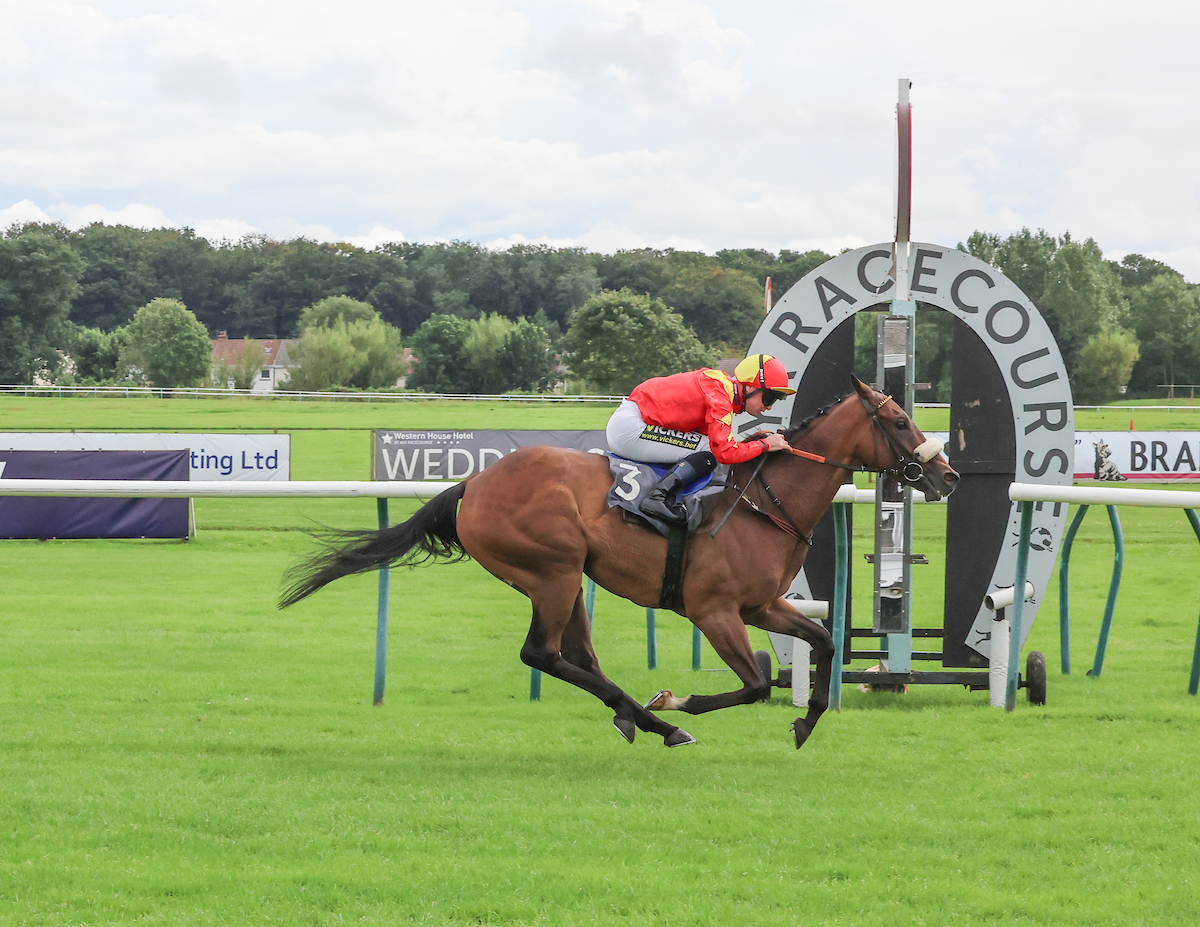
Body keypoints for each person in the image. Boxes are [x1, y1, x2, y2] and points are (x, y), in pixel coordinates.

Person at [606, 354, 797, 525]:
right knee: (709, 450)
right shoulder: (720, 395)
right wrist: (765, 444)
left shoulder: (720, 385)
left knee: (705, 446)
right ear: (749, 386)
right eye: (770, 398)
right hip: (631, 427)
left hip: (632, 420)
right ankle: (658, 497)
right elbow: (723, 451)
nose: (769, 407)